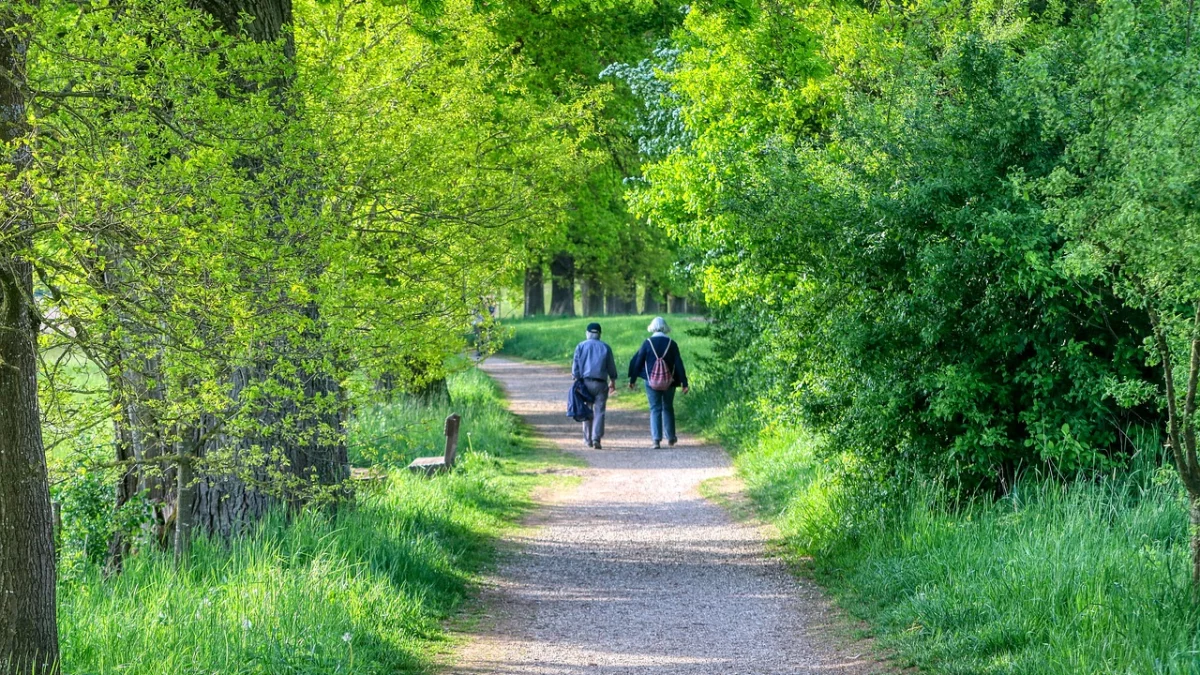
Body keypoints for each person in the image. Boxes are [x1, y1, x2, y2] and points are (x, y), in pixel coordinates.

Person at [628, 316, 689, 449]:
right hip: (670, 381)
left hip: (651, 382)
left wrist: (632, 380)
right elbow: (679, 363)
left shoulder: (647, 343)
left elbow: (638, 362)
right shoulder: (672, 344)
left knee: (655, 409)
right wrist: (684, 382)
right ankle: (671, 437)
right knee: (668, 407)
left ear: (652, 327)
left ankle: (656, 440)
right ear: (665, 327)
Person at [572, 322, 618, 449]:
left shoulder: (580, 346)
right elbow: (611, 366)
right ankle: (596, 438)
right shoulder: (605, 347)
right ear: (599, 334)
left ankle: (587, 440)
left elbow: (575, 366)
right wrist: (613, 380)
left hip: (584, 383)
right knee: (600, 411)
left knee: (586, 410)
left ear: (587, 333)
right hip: (600, 384)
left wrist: (576, 379)